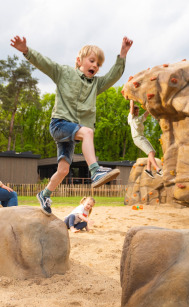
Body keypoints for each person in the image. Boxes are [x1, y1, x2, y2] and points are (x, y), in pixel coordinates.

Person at [10, 34, 133, 215]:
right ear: (79, 61)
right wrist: (26, 51)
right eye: (91, 61)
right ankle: (95, 171)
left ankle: (45, 194)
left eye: (98, 64)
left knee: (64, 169)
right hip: (60, 124)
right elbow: (45, 63)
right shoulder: (64, 73)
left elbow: (113, 76)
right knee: (87, 133)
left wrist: (123, 53)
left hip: (72, 133)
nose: (95, 66)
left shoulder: (96, 85)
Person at [128, 100, 163, 178]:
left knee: (153, 152)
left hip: (142, 137)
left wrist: (150, 107)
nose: (137, 113)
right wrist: (131, 98)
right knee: (150, 152)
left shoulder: (139, 118)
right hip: (137, 138)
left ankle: (148, 169)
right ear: (133, 111)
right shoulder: (131, 118)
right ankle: (157, 169)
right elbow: (131, 106)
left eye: (137, 111)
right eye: (135, 111)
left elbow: (146, 114)